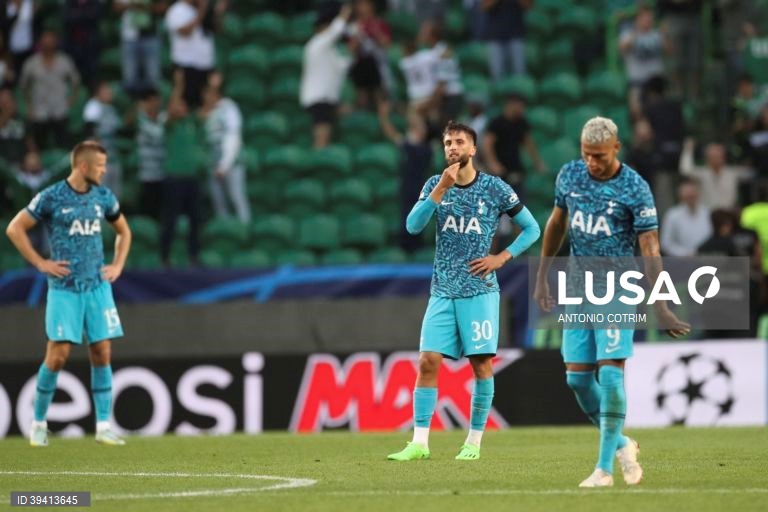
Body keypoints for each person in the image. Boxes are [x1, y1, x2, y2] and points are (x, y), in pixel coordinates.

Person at [533, 117, 690, 487]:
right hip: (577, 287)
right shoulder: (570, 176)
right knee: (576, 379)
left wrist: (661, 302)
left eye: (600, 156)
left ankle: (604, 469)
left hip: (617, 287)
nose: (592, 163)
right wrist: (541, 276)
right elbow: (557, 223)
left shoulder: (635, 187)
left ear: (616, 148)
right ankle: (623, 445)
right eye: (587, 155)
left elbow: (650, 247)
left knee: (610, 374)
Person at [387, 120, 540, 461]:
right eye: (447, 143)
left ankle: (473, 442)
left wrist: (501, 257)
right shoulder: (434, 184)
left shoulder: (495, 188)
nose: (452, 148)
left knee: (481, 365)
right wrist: (440, 189)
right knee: (427, 362)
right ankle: (419, 444)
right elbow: (412, 227)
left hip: (479, 291)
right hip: (442, 291)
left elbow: (532, 229)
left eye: (459, 142)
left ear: (473, 149)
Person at [5, 140, 132, 447]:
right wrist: (40, 262)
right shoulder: (52, 196)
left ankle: (103, 426)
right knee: (58, 355)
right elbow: (14, 228)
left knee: (102, 352)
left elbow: (124, 232)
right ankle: (38, 424)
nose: (104, 171)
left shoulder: (103, 196)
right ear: (84, 166)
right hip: (65, 289)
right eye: (100, 166)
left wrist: (117, 266)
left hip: (97, 287)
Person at [199, 75, 251, 224]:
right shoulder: (207, 113)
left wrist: (224, 164)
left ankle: (244, 229)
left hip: (231, 160)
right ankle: (225, 229)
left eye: (208, 93)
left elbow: (233, 136)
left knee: (236, 197)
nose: (205, 97)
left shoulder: (228, 107)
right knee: (218, 201)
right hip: (212, 161)